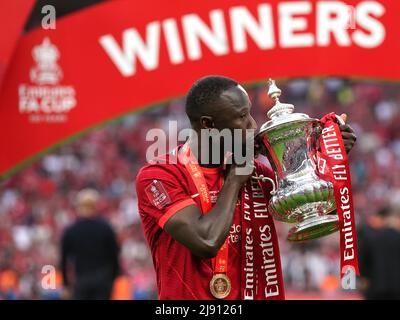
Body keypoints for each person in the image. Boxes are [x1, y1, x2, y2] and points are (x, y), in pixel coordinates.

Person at [136, 76, 356, 300]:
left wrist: (327, 161)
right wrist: (234, 180)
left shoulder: (255, 173)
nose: (252, 124)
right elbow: (206, 242)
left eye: (249, 112)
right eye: (241, 116)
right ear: (208, 124)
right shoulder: (159, 176)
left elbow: (319, 213)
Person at [60, 188, 120, 300]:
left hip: (81, 279)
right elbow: (114, 255)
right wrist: (113, 278)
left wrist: (66, 284)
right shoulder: (105, 228)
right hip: (102, 280)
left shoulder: (71, 230)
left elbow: (64, 259)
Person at [358, 206, 400, 299]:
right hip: (397, 288)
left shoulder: (370, 238)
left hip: (375, 287)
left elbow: (362, 261)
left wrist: (363, 278)